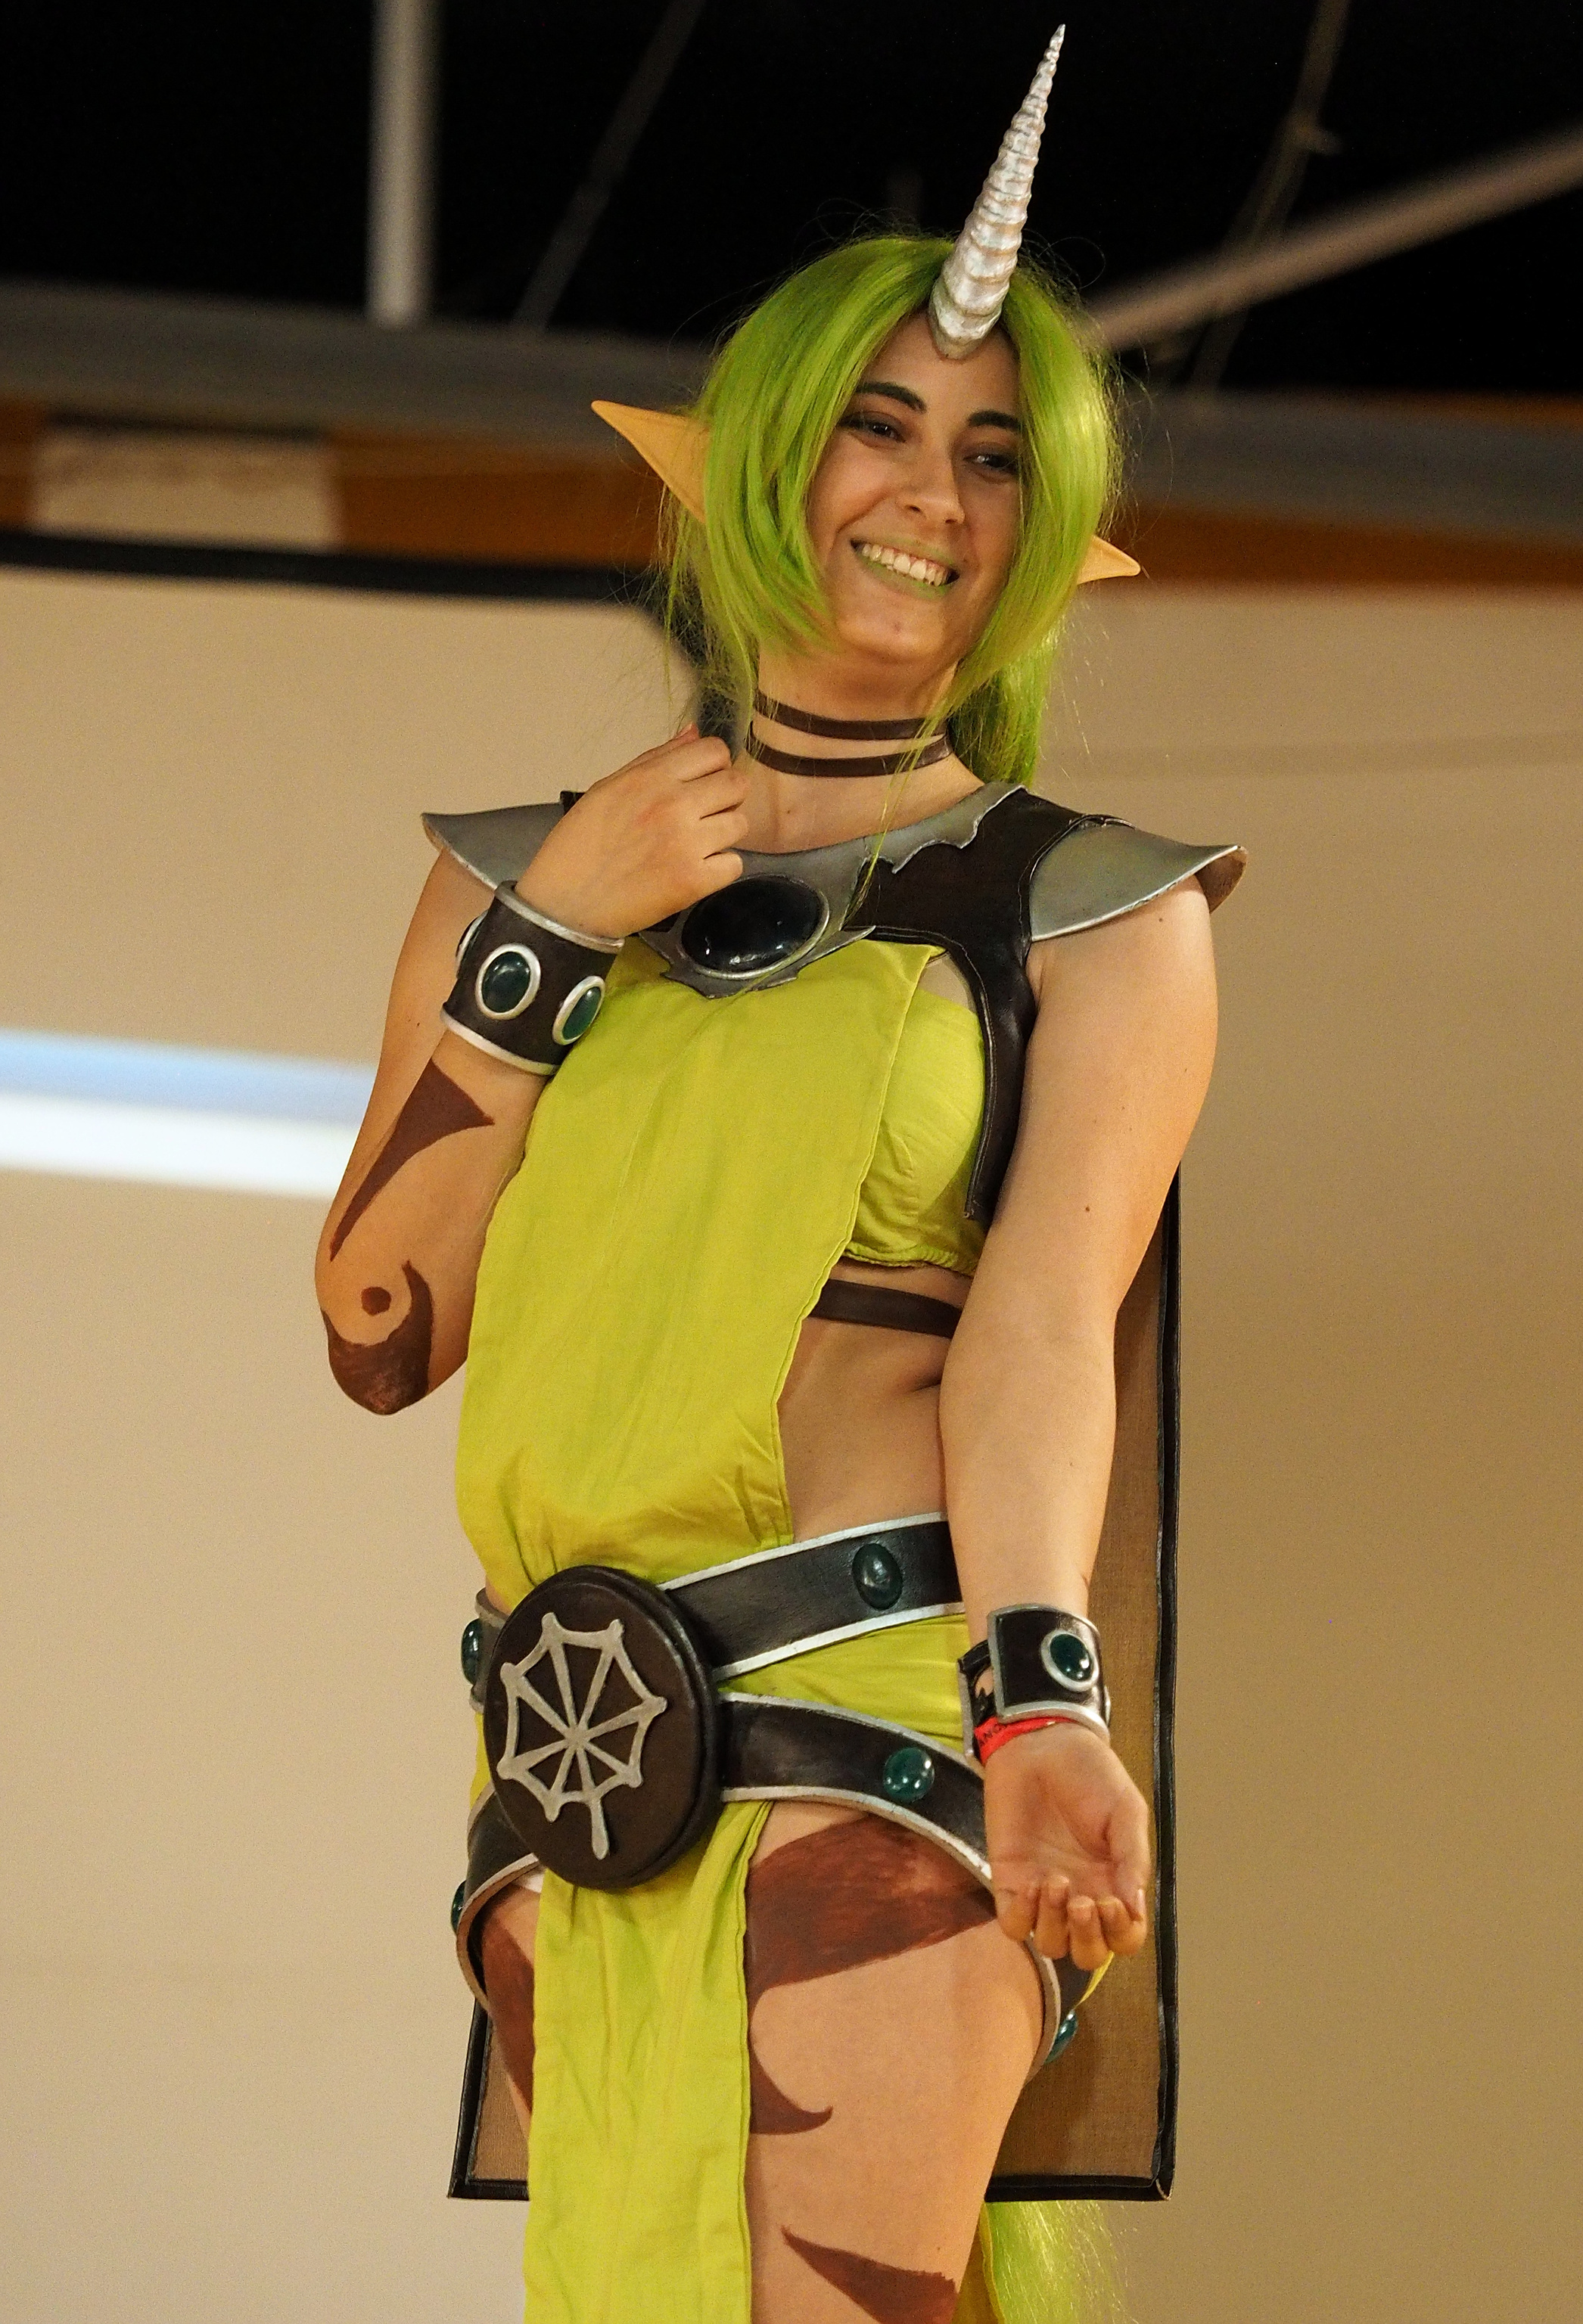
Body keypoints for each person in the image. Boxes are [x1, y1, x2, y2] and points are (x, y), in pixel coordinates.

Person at [315, 33, 1242, 2323]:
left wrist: (1047, 1713)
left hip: (886, 1732)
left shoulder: (1100, 912)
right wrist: (547, 944)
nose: (936, 493)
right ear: (753, 461)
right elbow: (378, 1329)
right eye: (880, 423)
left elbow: (1042, 1337)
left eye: (998, 455)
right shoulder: (519, 882)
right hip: (577, 1767)